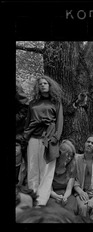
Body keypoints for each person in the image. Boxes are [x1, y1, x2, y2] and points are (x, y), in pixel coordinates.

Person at [22, 75, 64, 206]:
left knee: (47, 171)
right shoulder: (33, 103)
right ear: (37, 87)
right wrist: (25, 135)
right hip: (33, 137)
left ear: (50, 85)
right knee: (33, 169)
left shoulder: (56, 102)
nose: (43, 85)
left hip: (48, 137)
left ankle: (41, 201)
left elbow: (60, 122)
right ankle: (33, 198)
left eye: (45, 83)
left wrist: (56, 138)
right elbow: (28, 121)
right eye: (40, 84)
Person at [46, 140, 78, 215]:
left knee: (70, 208)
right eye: (68, 155)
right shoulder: (51, 165)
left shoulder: (72, 167)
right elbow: (48, 186)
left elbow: (69, 188)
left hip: (67, 194)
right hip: (52, 194)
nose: (69, 158)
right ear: (61, 154)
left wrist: (65, 197)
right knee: (54, 210)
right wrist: (55, 195)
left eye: (71, 156)